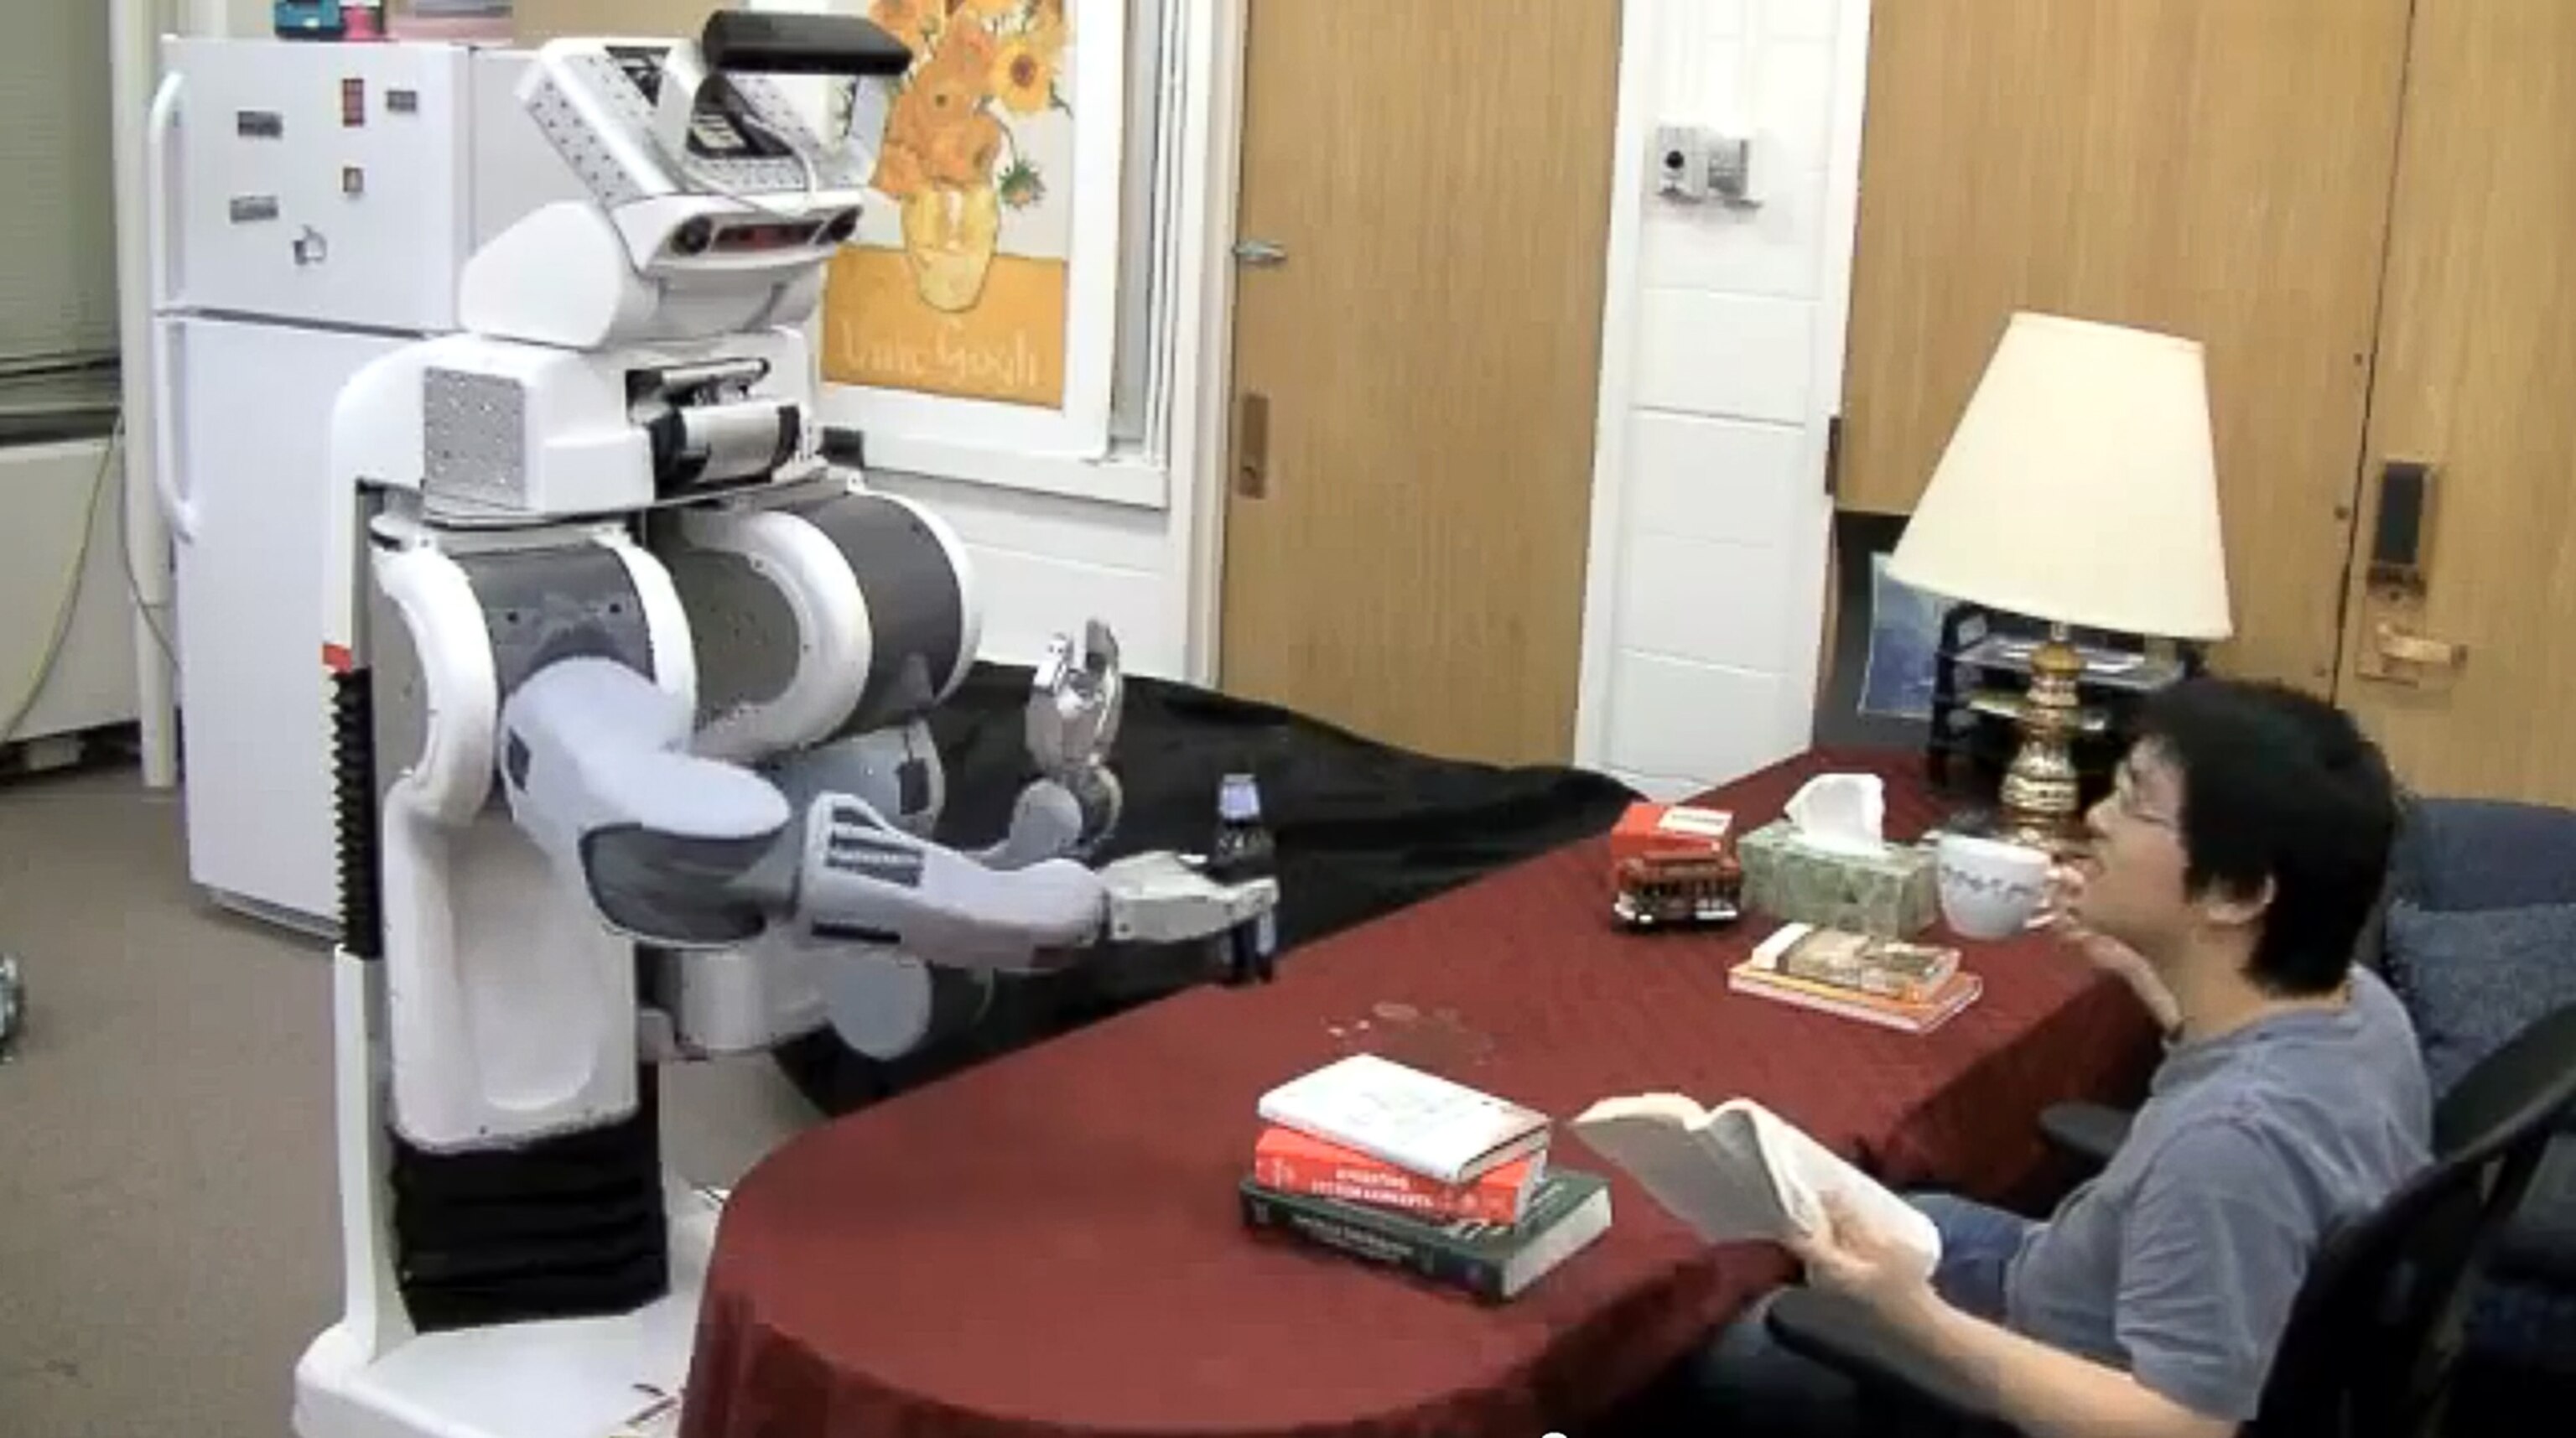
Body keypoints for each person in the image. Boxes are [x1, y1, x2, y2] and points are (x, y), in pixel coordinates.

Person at [1690, 676, 2433, 1436]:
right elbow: (2230, 1061)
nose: (2096, 821)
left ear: (2238, 893)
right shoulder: (2356, 1004)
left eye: (2133, 803)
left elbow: (2182, 1424)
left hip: (2069, 1371)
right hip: (2073, 1277)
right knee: (1885, 1210)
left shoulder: (2230, 1149)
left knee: (1742, 1348)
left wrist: (1915, 1319)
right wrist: (2144, 963)